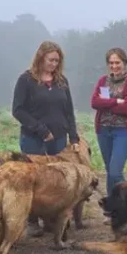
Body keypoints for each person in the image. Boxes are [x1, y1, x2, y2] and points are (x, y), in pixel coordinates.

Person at [12, 40, 80, 237]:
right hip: (33, 139)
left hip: (59, 139)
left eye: (57, 61)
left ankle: (51, 219)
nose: (54, 64)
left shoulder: (62, 82)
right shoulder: (26, 80)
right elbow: (18, 110)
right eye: (51, 60)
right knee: (34, 179)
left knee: (55, 181)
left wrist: (73, 137)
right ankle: (32, 220)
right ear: (40, 58)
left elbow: (69, 112)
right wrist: (40, 129)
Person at [90, 47, 127, 196]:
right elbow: (94, 102)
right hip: (104, 131)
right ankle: (113, 209)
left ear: (124, 63)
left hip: (123, 131)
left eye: (117, 62)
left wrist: (107, 103)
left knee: (115, 172)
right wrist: (117, 101)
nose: (114, 66)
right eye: (111, 63)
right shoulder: (103, 81)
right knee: (110, 172)